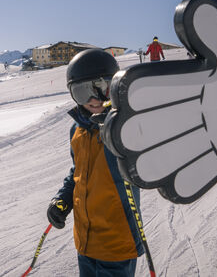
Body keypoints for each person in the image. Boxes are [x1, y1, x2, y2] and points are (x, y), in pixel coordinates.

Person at [47, 49, 144, 276]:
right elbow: (77, 172)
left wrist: (120, 123)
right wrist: (62, 200)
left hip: (117, 244)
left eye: (101, 88)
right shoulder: (77, 130)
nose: (93, 99)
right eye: (82, 92)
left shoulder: (127, 127)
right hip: (85, 243)